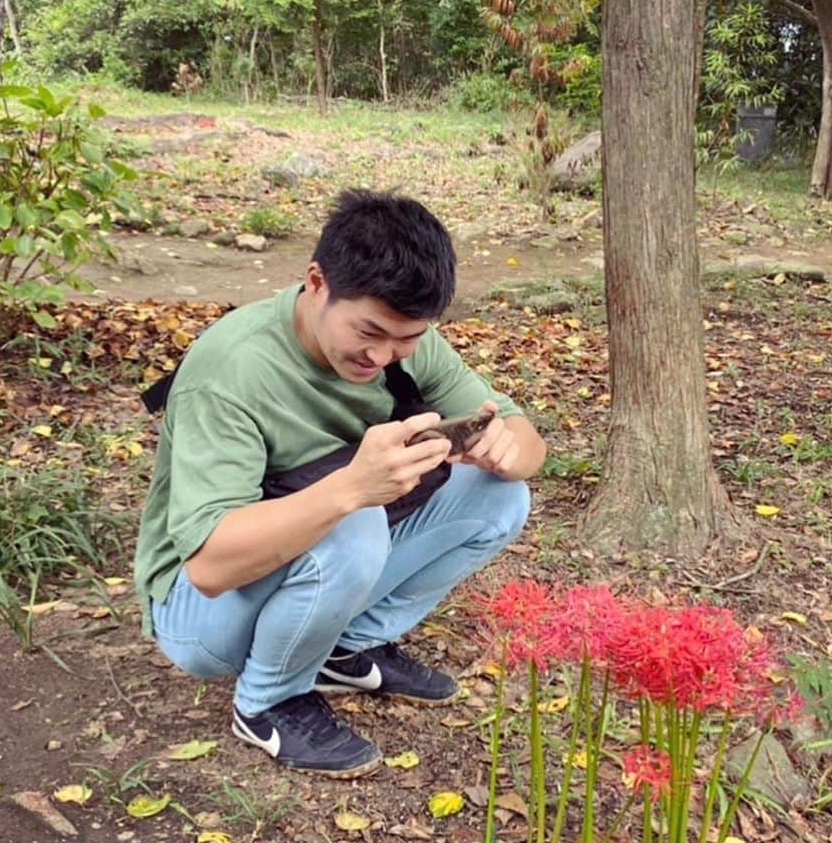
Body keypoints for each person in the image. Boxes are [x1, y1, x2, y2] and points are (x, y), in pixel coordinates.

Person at [134, 190, 546, 778]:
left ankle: (346, 649)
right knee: (354, 520)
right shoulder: (230, 372)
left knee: (500, 497)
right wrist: (352, 489)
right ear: (317, 283)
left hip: (311, 546)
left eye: (406, 339)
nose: (383, 356)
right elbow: (208, 567)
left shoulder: (406, 342)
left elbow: (525, 439)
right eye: (370, 332)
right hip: (199, 614)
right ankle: (267, 702)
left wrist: (509, 448)